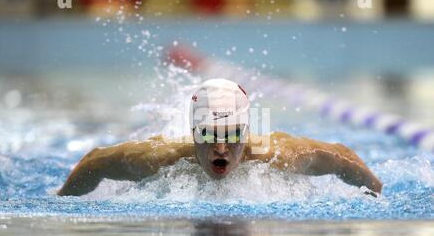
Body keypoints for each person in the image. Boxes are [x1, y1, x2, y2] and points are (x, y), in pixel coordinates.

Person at [58, 78, 382, 197]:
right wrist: (61, 202)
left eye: (231, 136)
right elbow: (94, 162)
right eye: (210, 136)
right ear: (193, 133)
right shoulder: (159, 158)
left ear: (246, 132)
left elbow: (342, 155)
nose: (221, 148)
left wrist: (376, 195)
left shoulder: (279, 154)